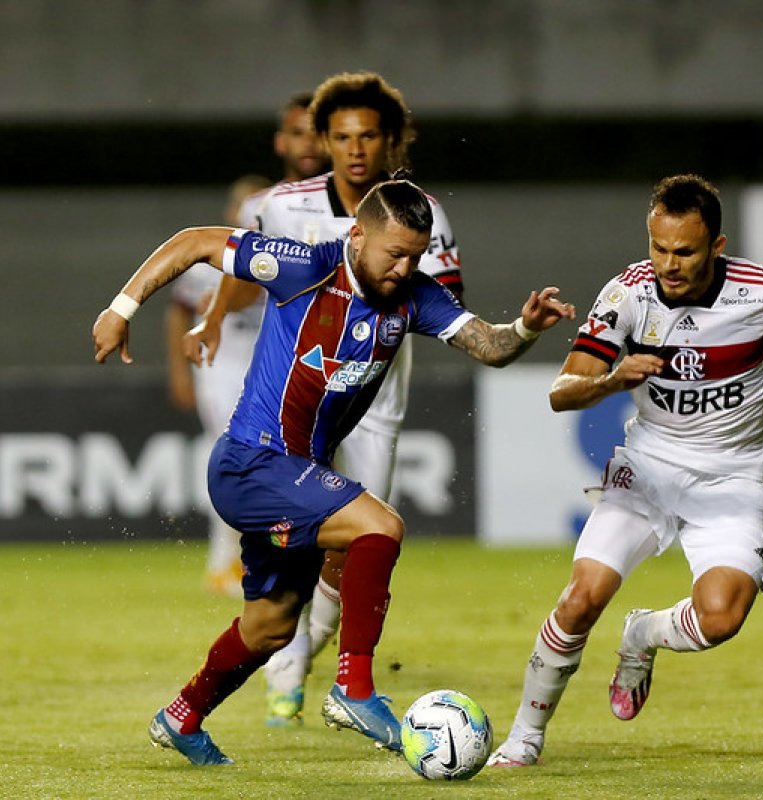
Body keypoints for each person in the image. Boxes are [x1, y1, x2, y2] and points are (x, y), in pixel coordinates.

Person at [92, 178, 575, 766]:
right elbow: (194, 242)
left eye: (415, 256)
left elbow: (490, 347)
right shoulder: (302, 266)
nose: (404, 268)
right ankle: (354, 688)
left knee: (270, 627)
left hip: (295, 474)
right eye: (394, 254)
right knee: (380, 527)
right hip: (252, 462)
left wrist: (526, 328)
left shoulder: (415, 296)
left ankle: (182, 715)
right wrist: (122, 309)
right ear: (358, 235)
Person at [486, 174, 763, 767]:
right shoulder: (628, 295)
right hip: (648, 472)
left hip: (734, 481)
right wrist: (613, 380)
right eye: (658, 248)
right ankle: (524, 737)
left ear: (717, 246)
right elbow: (562, 391)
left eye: (684, 251)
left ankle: (642, 634)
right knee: (580, 600)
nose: (668, 265)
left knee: (721, 618)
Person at [186, 72, 463, 724]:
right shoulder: (283, 205)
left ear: (392, 141)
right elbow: (243, 269)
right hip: (296, 400)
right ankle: (298, 667)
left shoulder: (422, 213)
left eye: (369, 136)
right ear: (324, 141)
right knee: (318, 535)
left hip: (373, 405)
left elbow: (446, 303)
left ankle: (309, 651)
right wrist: (216, 316)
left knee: (354, 544)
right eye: (341, 137)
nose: (355, 150)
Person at [166, 91, 329, 596]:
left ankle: (268, 562)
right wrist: (179, 371)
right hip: (221, 361)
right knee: (237, 454)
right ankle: (228, 564)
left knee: (277, 461)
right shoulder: (213, 259)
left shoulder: (293, 240)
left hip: (268, 360)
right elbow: (180, 311)